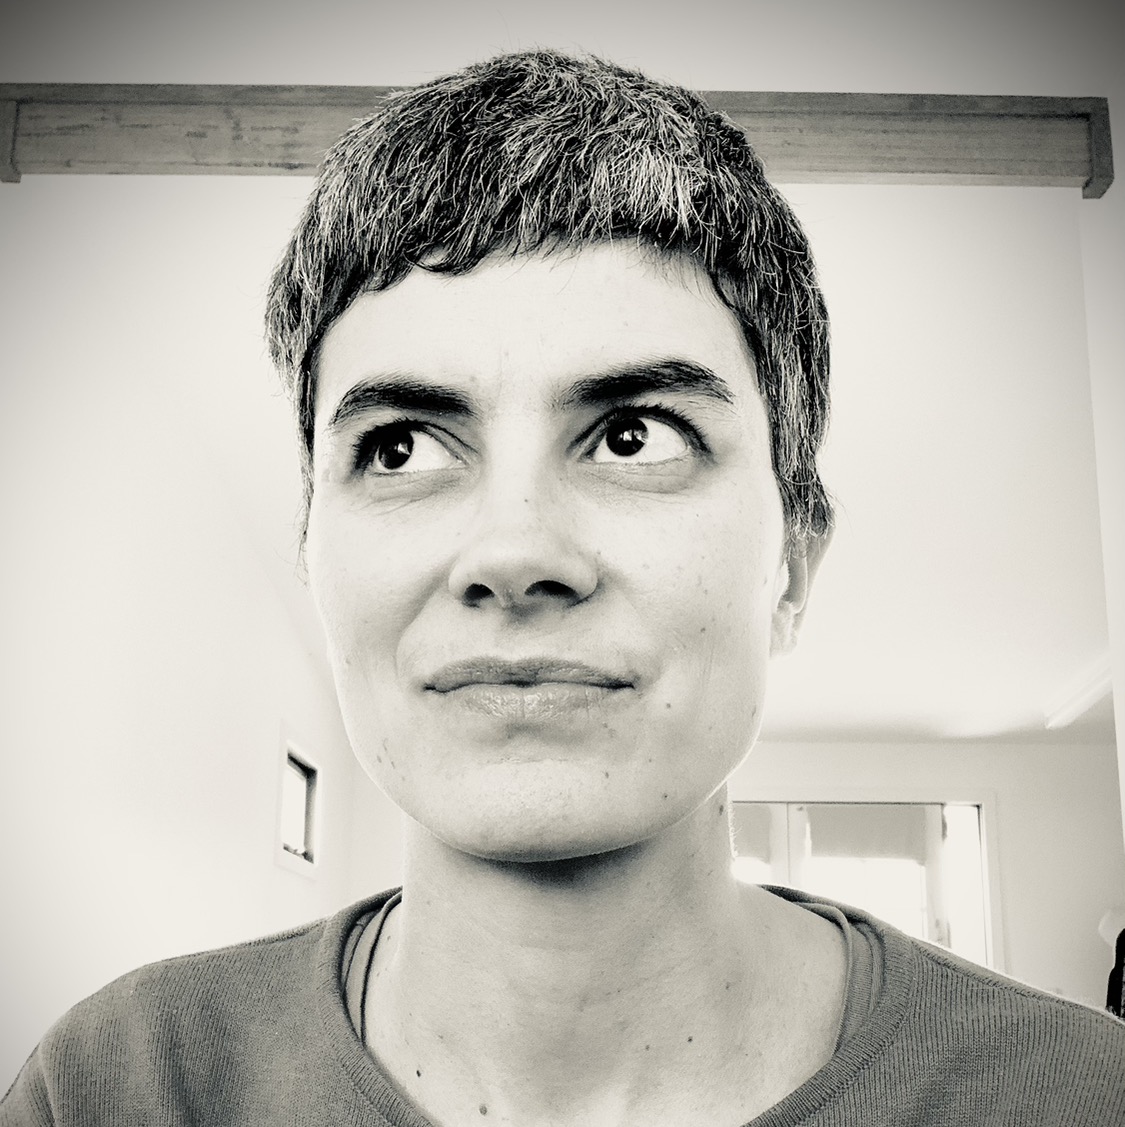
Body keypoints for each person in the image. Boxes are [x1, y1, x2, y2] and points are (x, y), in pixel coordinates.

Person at [3, 48, 1123, 1127]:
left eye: (634, 435)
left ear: (793, 564)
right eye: (400, 447)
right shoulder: (116, 1086)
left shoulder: (1085, 1097)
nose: (512, 551)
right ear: (313, 555)